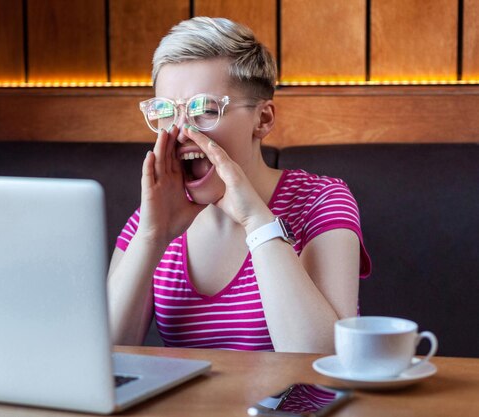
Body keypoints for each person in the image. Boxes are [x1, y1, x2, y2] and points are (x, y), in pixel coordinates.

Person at [107, 17, 371, 353]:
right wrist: (152, 238)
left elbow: (321, 361)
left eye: (204, 109)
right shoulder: (149, 222)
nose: (182, 131)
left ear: (263, 119)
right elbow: (104, 359)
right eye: (166, 111)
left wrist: (257, 223)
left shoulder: (322, 202)